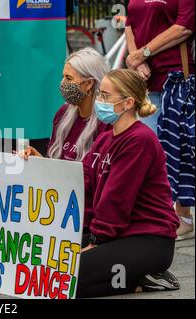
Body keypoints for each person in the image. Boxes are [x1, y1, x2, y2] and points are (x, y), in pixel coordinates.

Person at [77, 69, 180, 297]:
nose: (98, 101)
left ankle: (141, 279)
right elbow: (80, 179)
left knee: (68, 277)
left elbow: (116, 198)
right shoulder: (105, 138)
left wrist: (96, 240)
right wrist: (40, 164)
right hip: (118, 233)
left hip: (150, 239)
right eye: (99, 95)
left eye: (105, 96)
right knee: (48, 261)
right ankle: (136, 280)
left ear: (128, 103)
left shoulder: (140, 140)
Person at [125, 0, 195, 239]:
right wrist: (137, 61)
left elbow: (185, 26)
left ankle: (182, 215)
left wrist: (145, 52)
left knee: (179, 148)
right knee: (149, 153)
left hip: (176, 78)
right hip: (146, 81)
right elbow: (129, 23)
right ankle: (158, 214)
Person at [19, 48, 110, 162]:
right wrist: (38, 159)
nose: (62, 83)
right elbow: (56, 167)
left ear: (88, 84)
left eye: (69, 78)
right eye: (63, 77)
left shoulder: (105, 122)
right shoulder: (63, 113)